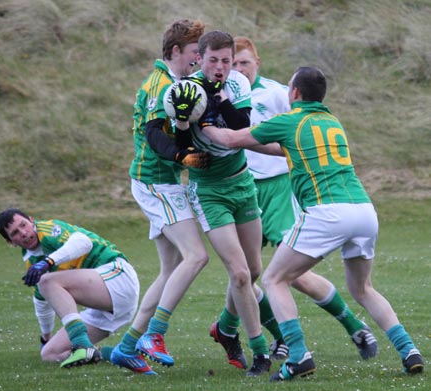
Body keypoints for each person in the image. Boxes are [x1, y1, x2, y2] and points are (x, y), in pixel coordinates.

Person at [201, 66, 425, 381]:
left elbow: (229, 139)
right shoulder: (331, 122)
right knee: (363, 288)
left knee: (275, 279)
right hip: (364, 210)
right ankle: (409, 351)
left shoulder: (290, 120)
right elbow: (284, 150)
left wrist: (203, 120)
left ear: (294, 94)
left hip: (326, 212)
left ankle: (297, 356)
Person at [228, 36, 378, 361]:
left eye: (244, 62)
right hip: (241, 189)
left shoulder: (276, 93)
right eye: (232, 63)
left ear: (257, 62)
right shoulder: (221, 93)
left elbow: (299, 134)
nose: (238, 69)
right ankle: (234, 330)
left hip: (280, 189)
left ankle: (351, 326)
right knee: (243, 272)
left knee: (290, 274)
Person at [110, 19, 210, 375]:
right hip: (155, 182)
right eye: (195, 53)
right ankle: (154, 334)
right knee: (196, 257)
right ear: (175, 52)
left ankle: (125, 348)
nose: (198, 60)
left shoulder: (180, 82)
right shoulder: (161, 83)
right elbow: (154, 133)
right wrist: (182, 156)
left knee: (171, 270)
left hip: (163, 180)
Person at [174, 30, 272, 377]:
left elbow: (242, 130)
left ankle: (225, 327)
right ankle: (260, 352)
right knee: (241, 274)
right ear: (199, 59)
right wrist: (184, 121)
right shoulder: (185, 90)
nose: (220, 67)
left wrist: (220, 100)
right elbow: (183, 148)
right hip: (209, 190)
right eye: (213, 60)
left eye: (226, 61)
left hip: (243, 182)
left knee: (255, 269)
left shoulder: (239, 85)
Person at [0, 208, 140, 369]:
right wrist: (45, 338)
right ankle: (120, 353)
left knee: (46, 281)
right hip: (107, 307)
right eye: (15, 233)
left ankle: (82, 345)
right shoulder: (33, 262)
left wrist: (48, 262)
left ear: (32, 220)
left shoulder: (48, 230)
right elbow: (41, 302)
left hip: (118, 277)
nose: (23, 232)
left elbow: (83, 242)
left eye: (24, 224)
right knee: (50, 354)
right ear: (11, 242)